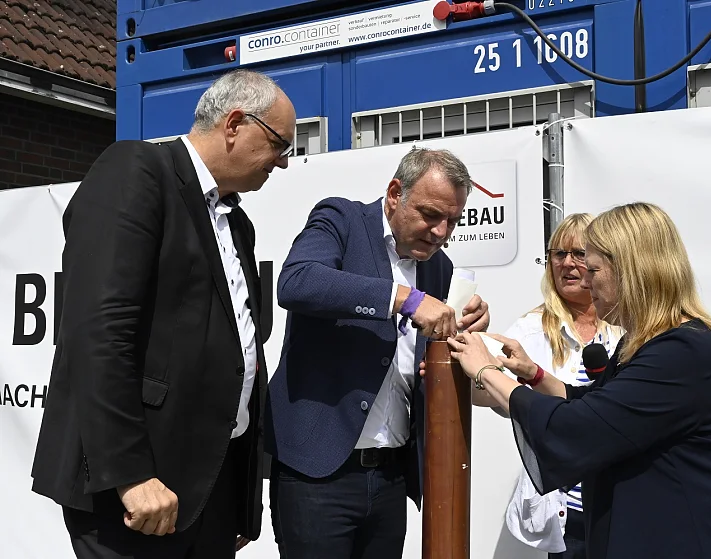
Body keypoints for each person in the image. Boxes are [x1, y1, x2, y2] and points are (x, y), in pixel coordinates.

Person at [30, 68, 296, 559]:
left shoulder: (237, 223)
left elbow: (237, 355)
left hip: (207, 491)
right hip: (136, 493)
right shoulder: (136, 171)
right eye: (280, 144)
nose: (282, 163)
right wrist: (131, 474)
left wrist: (238, 500)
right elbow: (98, 331)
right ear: (234, 123)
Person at [449, 202, 711, 559]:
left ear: (632, 271)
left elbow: (579, 427)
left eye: (592, 269)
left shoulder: (682, 351)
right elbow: (594, 405)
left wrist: (486, 370)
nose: (585, 282)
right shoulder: (642, 342)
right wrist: (533, 374)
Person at [266, 147, 491, 559]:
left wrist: (464, 324)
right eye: (430, 215)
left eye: (453, 222)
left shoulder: (439, 268)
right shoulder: (341, 220)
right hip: (319, 474)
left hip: (391, 478)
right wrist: (402, 298)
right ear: (394, 193)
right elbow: (296, 282)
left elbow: (425, 355)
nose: (441, 232)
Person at [471, 214, 623, 559]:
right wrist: (472, 370)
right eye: (558, 254)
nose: (568, 263)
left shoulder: (626, 326)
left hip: (623, 505)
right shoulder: (529, 330)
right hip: (567, 515)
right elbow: (489, 391)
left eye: (580, 253)